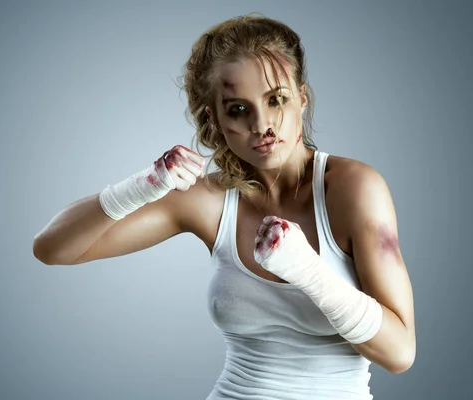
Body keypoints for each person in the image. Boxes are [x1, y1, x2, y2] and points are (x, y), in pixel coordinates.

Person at [33, 14, 416, 400]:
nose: (262, 124)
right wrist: (143, 186)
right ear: (212, 118)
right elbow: (52, 248)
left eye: (276, 100)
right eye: (237, 109)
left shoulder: (352, 189)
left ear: (302, 99)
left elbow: (400, 353)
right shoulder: (210, 200)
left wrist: (309, 272)